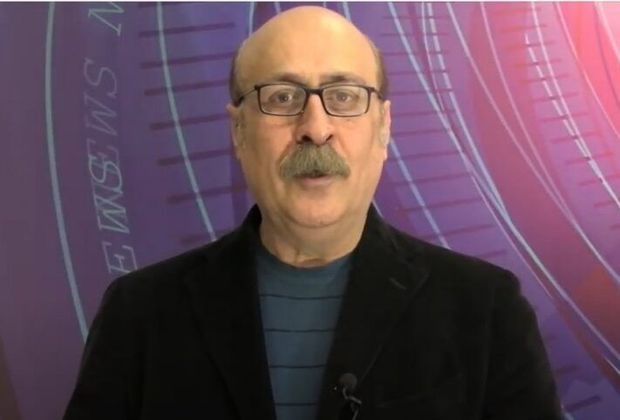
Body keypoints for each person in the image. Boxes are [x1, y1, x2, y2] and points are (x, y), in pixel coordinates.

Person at [64, 6, 562, 420]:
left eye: (343, 96)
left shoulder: (486, 311)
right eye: (283, 97)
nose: (316, 128)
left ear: (383, 126)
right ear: (238, 130)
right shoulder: (140, 314)